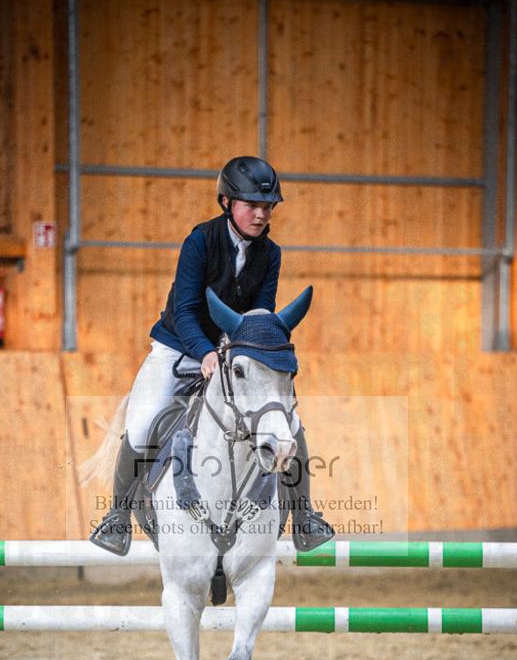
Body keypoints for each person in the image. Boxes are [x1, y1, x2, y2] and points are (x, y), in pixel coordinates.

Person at [90, 155, 335, 557]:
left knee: (288, 422)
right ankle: (116, 518)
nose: (261, 214)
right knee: (143, 421)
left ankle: (304, 515)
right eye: (252, 206)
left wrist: (241, 354)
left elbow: (258, 316)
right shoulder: (200, 242)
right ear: (226, 203)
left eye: (267, 206)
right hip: (177, 347)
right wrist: (205, 352)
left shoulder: (270, 253)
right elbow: (184, 310)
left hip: (233, 353)